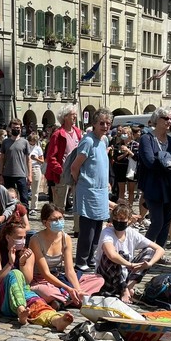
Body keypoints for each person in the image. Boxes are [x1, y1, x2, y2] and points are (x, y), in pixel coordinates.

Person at [0, 220, 74, 331]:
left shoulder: (27, 254)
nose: (22, 241)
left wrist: (22, 263)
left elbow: (27, 281)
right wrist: (10, 263)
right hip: (5, 297)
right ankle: (20, 309)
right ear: (8, 237)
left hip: (23, 293)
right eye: (19, 237)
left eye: (24, 237)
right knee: (14, 273)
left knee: (37, 303)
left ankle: (56, 320)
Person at [30, 203, 104, 307]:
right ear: (45, 222)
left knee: (98, 279)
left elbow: (69, 270)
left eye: (60, 218)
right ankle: (70, 298)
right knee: (47, 292)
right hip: (41, 280)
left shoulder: (66, 238)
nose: (58, 222)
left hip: (59, 277)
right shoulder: (36, 240)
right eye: (54, 219)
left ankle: (65, 300)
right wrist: (69, 289)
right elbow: (45, 273)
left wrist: (77, 289)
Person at [96, 204, 163, 302]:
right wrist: (130, 264)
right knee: (116, 256)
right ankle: (124, 290)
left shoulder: (131, 233)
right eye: (116, 218)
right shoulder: (107, 232)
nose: (118, 221)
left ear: (129, 220)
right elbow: (111, 255)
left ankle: (128, 287)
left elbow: (159, 249)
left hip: (125, 273)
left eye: (122, 219)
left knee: (150, 251)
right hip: (106, 276)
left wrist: (149, 264)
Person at [71, 109, 112, 271]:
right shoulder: (87, 141)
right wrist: (81, 182)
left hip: (101, 191)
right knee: (87, 229)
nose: (105, 126)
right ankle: (81, 260)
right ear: (94, 124)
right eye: (101, 123)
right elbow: (75, 167)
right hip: (88, 190)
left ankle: (91, 258)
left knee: (97, 229)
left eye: (108, 123)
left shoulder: (105, 141)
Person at [138, 108, 171, 246]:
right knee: (157, 222)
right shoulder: (147, 139)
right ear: (157, 120)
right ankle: (146, 252)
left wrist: (163, 159)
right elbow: (150, 161)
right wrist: (170, 161)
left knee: (166, 222)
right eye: (166, 118)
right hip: (153, 186)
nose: (169, 121)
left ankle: (159, 252)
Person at [45, 105, 82, 216]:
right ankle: (57, 230)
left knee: (77, 203)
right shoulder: (57, 135)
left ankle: (77, 231)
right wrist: (61, 171)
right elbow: (51, 157)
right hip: (61, 175)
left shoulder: (78, 132)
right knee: (59, 206)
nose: (75, 117)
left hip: (76, 173)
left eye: (75, 114)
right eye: (72, 114)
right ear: (65, 117)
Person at [0, 119, 32, 206]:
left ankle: (25, 217)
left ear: (20, 129)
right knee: (8, 198)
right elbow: (2, 159)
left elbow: (28, 159)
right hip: (8, 174)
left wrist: (30, 175)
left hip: (21, 174)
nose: (15, 129)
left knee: (24, 199)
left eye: (17, 128)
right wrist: (0, 174)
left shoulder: (25, 142)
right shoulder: (5, 142)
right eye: (13, 128)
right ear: (10, 128)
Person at [28, 132, 44, 210]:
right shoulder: (26, 146)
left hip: (36, 168)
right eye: (31, 141)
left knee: (35, 190)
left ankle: (33, 207)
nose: (32, 142)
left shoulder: (38, 148)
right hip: (27, 168)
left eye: (34, 141)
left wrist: (36, 159)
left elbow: (42, 161)